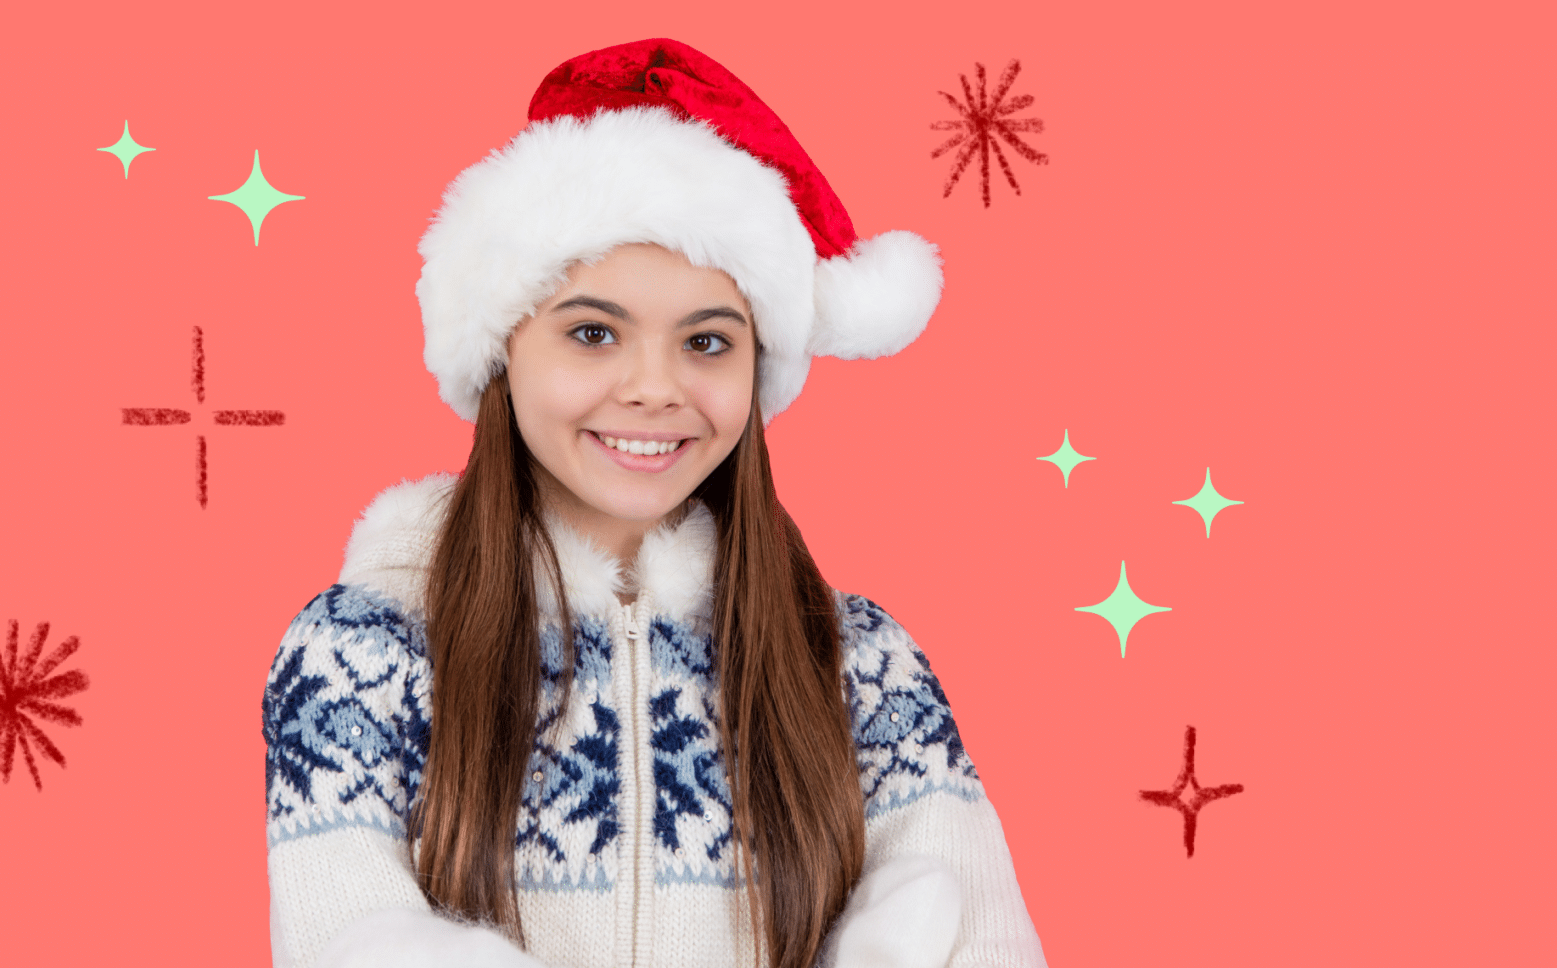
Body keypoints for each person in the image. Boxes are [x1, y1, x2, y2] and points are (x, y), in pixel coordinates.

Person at [262, 38, 1047, 968]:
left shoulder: (861, 668)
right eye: (593, 333)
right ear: (503, 353)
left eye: (706, 343)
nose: (653, 388)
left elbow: (981, 940)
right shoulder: (363, 653)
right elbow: (344, 938)